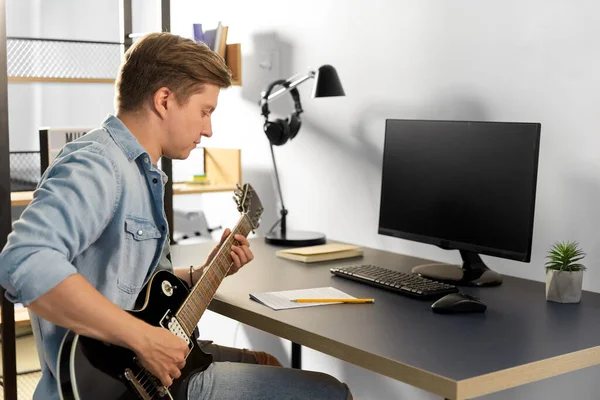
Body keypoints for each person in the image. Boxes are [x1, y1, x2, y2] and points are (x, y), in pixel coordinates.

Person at [0, 32, 353, 400]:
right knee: (331, 392)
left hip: (148, 372)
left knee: (265, 361)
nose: (208, 129)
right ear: (165, 100)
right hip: (120, 383)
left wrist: (202, 273)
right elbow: (24, 260)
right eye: (205, 111)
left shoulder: (142, 172)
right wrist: (144, 339)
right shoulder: (98, 165)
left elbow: (133, 284)